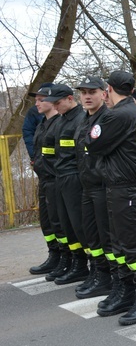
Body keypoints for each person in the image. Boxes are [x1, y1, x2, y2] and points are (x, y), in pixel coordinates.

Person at [86, 70, 136, 326]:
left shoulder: (118, 114)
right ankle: (126, 291)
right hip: (123, 186)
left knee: (133, 245)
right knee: (121, 244)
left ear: (109, 89)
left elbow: (92, 145)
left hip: (126, 188)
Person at [73, 76, 114, 298]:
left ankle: (110, 278)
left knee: (106, 235)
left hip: (103, 186)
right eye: (83, 92)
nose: (87, 96)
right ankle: (98, 273)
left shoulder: (107, 118)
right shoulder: (83, 120)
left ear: (103, 94)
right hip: (87, 186)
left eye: (92, 92)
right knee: (91, 235)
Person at [46, 84, 89, 285]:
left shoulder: (80, 119)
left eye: (58, 102)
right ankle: (77, 264)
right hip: (60, 177)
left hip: (75, 177)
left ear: (70, 99)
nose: (56, 106)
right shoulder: (61, 121)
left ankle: (93, 266)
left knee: (80, 225)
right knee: (67, 224)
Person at [28, 84, 63, 276]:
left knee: (59, 222)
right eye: (36, 100)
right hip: (44, 178)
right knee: (46, 221)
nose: (37, 104)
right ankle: (54, 254)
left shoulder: (59, 122)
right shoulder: (42, 123)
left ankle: (67, 258)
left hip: (56, 179)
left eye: (41, 100)